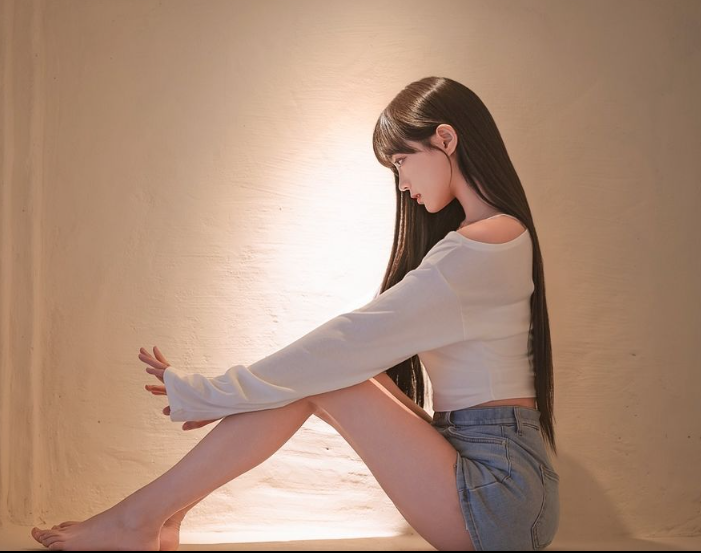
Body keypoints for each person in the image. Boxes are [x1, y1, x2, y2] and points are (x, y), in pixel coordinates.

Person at [31, 76, 559, 551]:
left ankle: (139, 519)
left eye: (401, 160)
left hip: (500, 496)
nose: (401, 182)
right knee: (333, 376)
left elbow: (347, 341)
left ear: (445, 138)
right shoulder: (490, 240)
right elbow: (348, 352)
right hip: (500, 476)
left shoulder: (480, 248)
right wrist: (225, 393)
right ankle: (160, 516)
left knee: (327, 376)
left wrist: (214, 392)